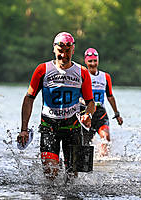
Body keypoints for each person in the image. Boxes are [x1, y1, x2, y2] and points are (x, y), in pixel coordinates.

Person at [17, 32, 95, 180]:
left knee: (72, 176)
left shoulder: (82, 72)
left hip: (73, 127)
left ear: (73, 50)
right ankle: (54, 165)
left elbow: (90, 102)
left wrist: (88, 115)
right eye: (60, 51)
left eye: (67, 51)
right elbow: (29, 98)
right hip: (49, 125)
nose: (64, 55)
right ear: (54, 49)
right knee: (50, 174)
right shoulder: (42, 70)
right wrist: (24, 129)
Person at [83, 47, 123, 156]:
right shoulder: (83, 75)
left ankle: (103, 162)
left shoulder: (105, 77)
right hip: (86, 113)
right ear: (86, 61)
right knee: (85, 143)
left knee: (105, 138)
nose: (93, 63)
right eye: (90, 61)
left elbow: (110, 96)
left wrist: (117, 114)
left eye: (95, 60)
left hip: (100, 113)